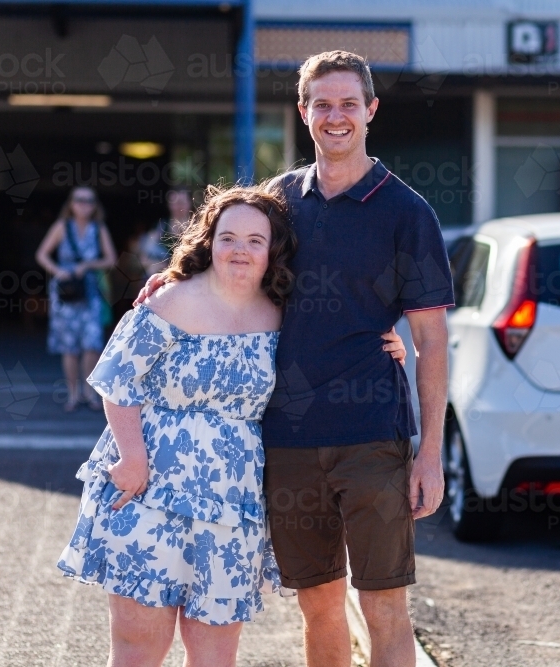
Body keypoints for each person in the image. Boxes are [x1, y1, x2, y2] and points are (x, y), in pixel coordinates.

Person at [138, 50, 453, 667]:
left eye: (349, 105)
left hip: (373, 438)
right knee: (319, 604)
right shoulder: (279, 202)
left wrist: (431, 454)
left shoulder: (409, 214)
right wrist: (168, 280)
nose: (337, 117)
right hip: (286, 439)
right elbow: (221, 257)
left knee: (385, 605)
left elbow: (433, 340)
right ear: (304, 112)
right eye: (323, 105)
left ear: (371, 111)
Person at [57, 183, 409, 667]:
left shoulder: (284, 314)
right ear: (208, 241)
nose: (240, 250)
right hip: (150, 493)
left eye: (255, 241)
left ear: (273, 252)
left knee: (215, 656)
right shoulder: (168, 301)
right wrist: (132, 458)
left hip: (230, 504)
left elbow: (338, 339)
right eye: (228, 237)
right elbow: (117, 381)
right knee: (139, 648)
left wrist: (384, 341)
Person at [35, 186, 118, 412]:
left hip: (90, 291)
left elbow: (110, 259)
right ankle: (73, 394)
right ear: (71, 204)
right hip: (65, 292)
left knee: (92, 343)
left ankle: (89, 393)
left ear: (95, 205)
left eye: (89, 201)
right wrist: (57, 270)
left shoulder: (98, 228)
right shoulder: (62, 226)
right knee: (69, 346)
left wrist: (88, 265)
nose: (84, 204)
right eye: (79, 200)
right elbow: (42, 254)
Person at [140, 188, 194, 277]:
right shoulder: (159, 228)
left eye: (181, 202)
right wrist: (157, 265)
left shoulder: (199, 229)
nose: (177, 207)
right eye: (174, 203)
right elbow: (143, 258)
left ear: (190, 203)